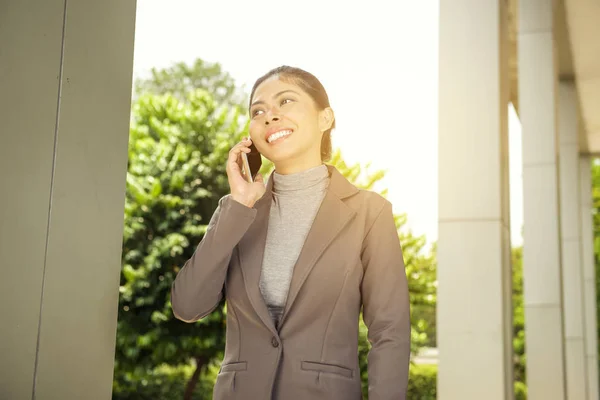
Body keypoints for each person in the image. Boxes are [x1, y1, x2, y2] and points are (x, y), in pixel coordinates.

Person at [171, 66, 411, 400]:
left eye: (286, 101)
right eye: (258, 111)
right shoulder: (237, 211)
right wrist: (238, 205)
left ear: (325, 118)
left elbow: (390, 332)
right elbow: (187, 305)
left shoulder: (370, 212)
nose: (270, 116)